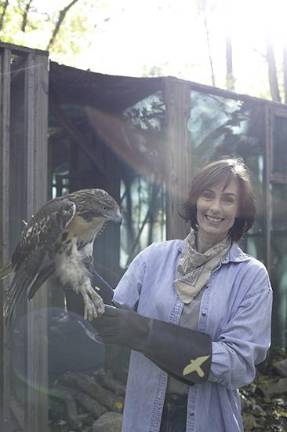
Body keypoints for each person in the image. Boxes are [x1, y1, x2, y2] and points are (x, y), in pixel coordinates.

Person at [94, 157, 273, 432]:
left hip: (206, 420)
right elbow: (111, 314)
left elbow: (238, 363)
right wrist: (76, 272)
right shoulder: (155, 257)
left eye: (227, 199)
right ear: (195, 201)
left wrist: (146, 333)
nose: (215, 208)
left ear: (240, 210)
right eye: (207, 196)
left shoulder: (250, 276)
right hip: (145, 415)